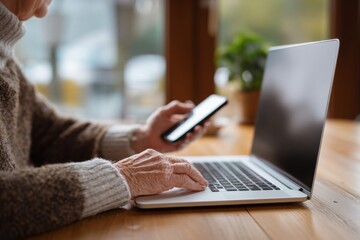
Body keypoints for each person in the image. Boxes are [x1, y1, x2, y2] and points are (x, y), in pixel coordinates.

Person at [0, 1, 208, 239]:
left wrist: (139, 140)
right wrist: (121, 177)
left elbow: (48, 133)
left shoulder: (4, 53)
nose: (46, 8)